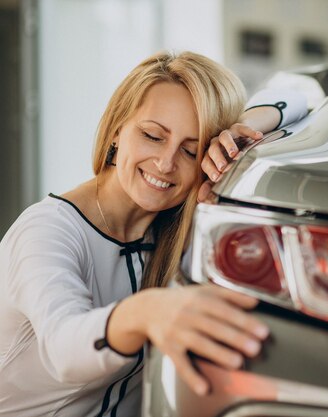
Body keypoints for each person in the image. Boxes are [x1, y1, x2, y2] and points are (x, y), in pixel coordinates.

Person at [0, 51, 306, 416]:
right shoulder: (48, 230)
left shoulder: (174, 227)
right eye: (152, 136)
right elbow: (65, 349)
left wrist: (243, 127)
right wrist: (145, 313)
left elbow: (300, 93)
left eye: (191, 151)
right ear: (117, 130)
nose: (165, 163)